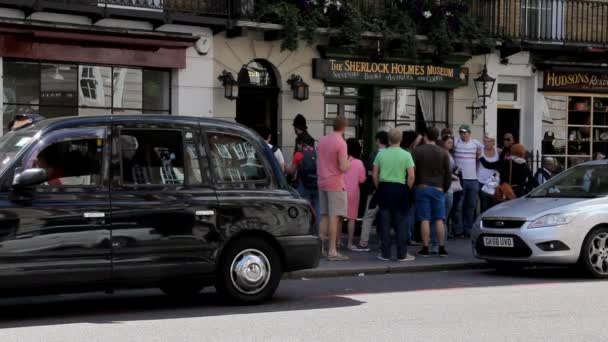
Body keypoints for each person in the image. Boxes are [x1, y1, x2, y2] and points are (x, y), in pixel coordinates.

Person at [373, 128, 416, 262]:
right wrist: (406, 189)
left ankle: (385, 253)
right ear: (401, 139)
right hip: (400, 188)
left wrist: (379, 186)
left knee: (384, 222)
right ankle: (402, 254)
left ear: (388, 139)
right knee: (401, 222)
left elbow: (375, 174)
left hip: (384, 188)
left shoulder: (380, 155)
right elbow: (411, 176)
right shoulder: (406, 155)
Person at [413, 127, 451, 257]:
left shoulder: (418, 151)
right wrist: (444, 188)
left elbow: (413, 170)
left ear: (425, 136)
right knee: (439, 218)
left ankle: (425, 247)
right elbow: (448, 173)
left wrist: (415, 186)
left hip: (422, 186)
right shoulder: (443, 152)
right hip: (438, 188)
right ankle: (441, 247)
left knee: (425, 219)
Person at [317, 116, 350, 261]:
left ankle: (320, 249)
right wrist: (349, 163)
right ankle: (332, 251)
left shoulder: (323, 140)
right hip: (335, 182)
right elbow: (343, 166)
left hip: (322, 181)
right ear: (345, 127)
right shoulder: (341, 143)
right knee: (334, 217)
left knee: (324, 215)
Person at [356, 131, 389, 251]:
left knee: (368, 216)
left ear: (378, 140)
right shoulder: (391, 154)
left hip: (375, 190)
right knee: (385, 216)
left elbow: (370, 172)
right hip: (388, 188)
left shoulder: (374, 154)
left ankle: (363, 242)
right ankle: (383, 241)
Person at [452, 124, 482, 238]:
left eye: (465, 132)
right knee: (458, 206)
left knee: (471, 206)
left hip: (473, 179)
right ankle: (458, 230)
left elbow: (489, 147)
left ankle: (468, 229)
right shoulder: (456, 142)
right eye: (461, 132)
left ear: (469, 133)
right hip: (460, 180)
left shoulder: (475, 143)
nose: (463, 134)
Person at [287, 136, 319, 235]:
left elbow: (291, 171)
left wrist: (283, 167)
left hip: (303, 185)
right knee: (318, 210)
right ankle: (318, 233)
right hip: (317, 185)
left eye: (298, 144)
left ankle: (305, 232)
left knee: (304, 208)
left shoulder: (299, 155)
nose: (297, 146)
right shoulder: (318, 154)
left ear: (302, 144)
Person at [344, 138, 366, 251]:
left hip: (341, 191)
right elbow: (362, 180)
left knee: (338, 217)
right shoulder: (359, 162)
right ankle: (349, 243)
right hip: (354, 193)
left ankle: (337, 242)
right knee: (351, 218)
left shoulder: (342, 161)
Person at [478, 134, 500, 213]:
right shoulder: (480, 151)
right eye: (485, 141)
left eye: (489, 141)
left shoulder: (498, 151)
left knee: (493, 204)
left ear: (493, 142)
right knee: (484, 205)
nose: (486, 143)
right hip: (481, 181)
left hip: (494, 182)